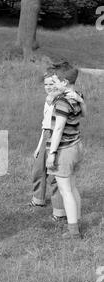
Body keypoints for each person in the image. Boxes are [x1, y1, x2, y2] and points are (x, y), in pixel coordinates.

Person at [44, 62, 87, 239]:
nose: (53, 83)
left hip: (64, 150)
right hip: (77, 146)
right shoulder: (76, 95)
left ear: (64, 82)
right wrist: (82, 101)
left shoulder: (63, 102)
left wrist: (52, 154)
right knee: (72, 186)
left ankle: (73, 231)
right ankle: (75, 219)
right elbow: (84, 114)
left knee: (65, 190)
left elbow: (58, 129)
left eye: (55, 80)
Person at [30, 74, 66, 222]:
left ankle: (59, 212)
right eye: (46, 84)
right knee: (38, 170)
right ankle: (38, 199)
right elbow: (45, 126)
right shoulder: (48, 100)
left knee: (54, 175)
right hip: (46, 135)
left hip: (57, 136)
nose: (49, 87)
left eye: (52, 84)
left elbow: (58, 128)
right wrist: (39, 147)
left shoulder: (61, 101)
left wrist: (53, 150)